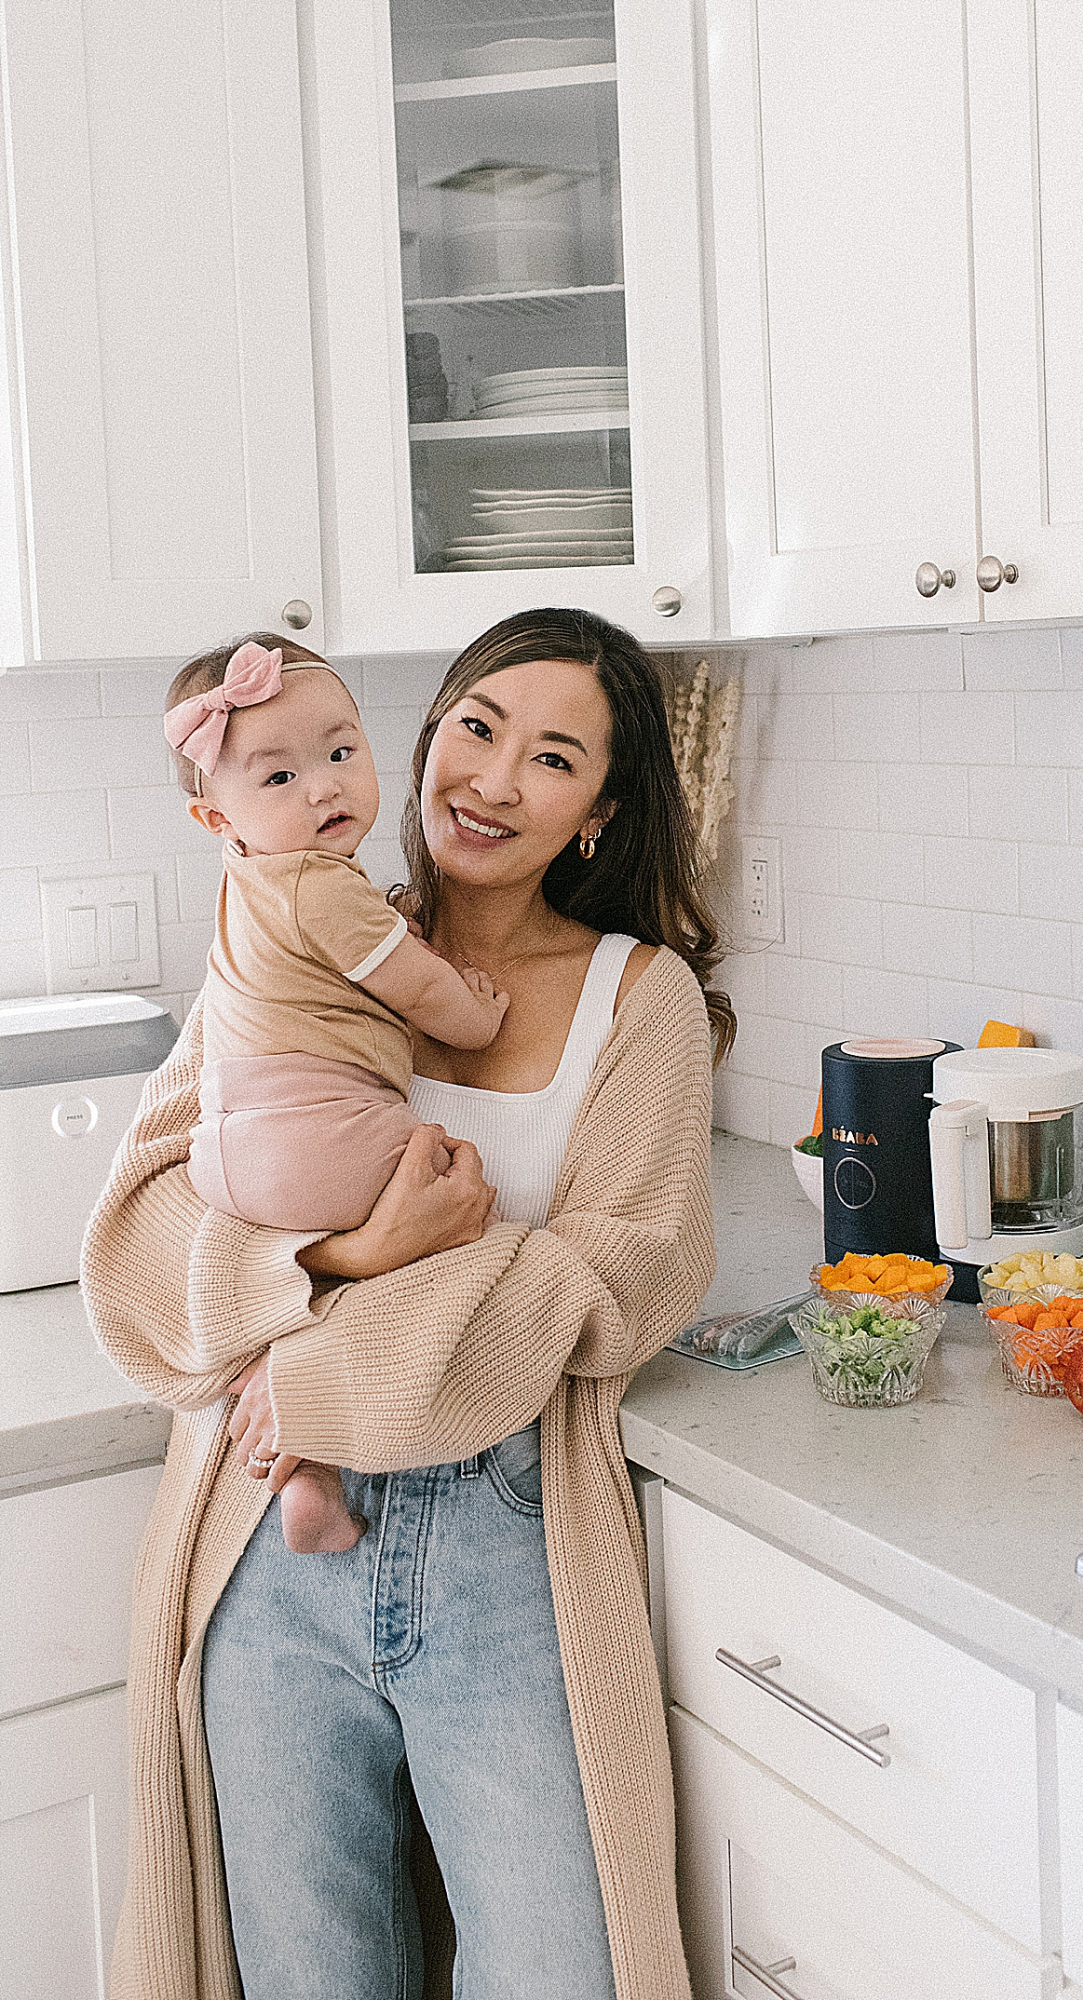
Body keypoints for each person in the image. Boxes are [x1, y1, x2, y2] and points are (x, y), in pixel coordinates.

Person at [81, 607, 733, 2000]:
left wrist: (319, 1366)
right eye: (476, 728)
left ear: (597, 813)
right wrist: (358, 1255)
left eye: (551, 758)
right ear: (426, 735)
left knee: (556, 1967)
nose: (493, 780)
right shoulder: (292, 927)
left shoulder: (641, 1001)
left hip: (509, 1535)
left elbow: (621, 1277)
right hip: (265, 1545)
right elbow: (142, 1232)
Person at [162, 635, 509, 1554]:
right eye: (278, 779)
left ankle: (295, 1458)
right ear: (215, 818)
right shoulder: (324, 888)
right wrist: (478, 1012)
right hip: (318, 1132)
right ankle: (321, 1443)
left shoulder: (248, 884)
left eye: (342, 752)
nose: (324, 788)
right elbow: (430, 997)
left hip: (228, 1151)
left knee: (304, 1291)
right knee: (455, 1219)